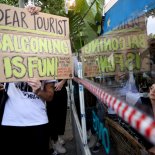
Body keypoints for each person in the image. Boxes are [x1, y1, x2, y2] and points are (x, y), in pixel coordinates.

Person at [0, 79, 55, 155]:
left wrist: (39, 91)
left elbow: (50, 96)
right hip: (10, 121)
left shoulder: (48, 67)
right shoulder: (3, 66)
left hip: (38, 121)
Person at [47, 79, 68, 154]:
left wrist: (62, 82)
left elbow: (68, 70)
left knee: (62, 114)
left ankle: (59, 137)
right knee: (52, 117)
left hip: (61, 88)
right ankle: (54, 141)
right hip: (48, 90)